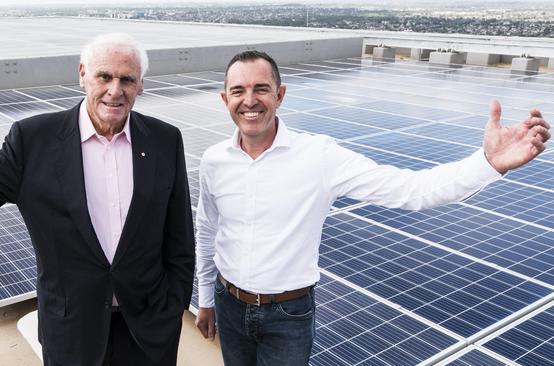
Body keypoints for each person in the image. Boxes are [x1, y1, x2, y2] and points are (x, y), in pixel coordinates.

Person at [194, 50, 550, 366]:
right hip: (229, 304)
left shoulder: (319, 156)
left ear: (280, 95)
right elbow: (209, 231)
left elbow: (413, 190)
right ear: (225, 98)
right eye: (239, 91)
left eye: (261, 89)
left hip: (287, 314)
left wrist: (488, 162)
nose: (250, 100)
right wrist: (207, 298)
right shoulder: (214, 161)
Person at [0, 33, 195, 366]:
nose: (115, 90)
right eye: (104, 76)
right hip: (71, 332)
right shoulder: (33, 139)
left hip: (148, 330)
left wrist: (173, 307)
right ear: (83, 73)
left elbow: (179, 238)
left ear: (140, 84)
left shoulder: (164, 140)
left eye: (126, 79)